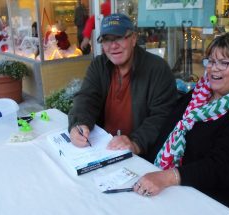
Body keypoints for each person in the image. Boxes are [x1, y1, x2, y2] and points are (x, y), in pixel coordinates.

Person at [134, 32, 229, 212]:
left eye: (224, 63)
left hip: (215, 204)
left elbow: (223, 167)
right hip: (173, 191)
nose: (214, 69)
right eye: (211, 61)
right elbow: (166, 132)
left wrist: (168, 177)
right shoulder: (197, 95)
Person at [68, 13, 178, 157]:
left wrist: (135, 143)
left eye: (119, 37)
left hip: (143, 156)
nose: (113, 46)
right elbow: (86, 98)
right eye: (107, 40)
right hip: (102, 148)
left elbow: (163, 116)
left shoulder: (157, 69)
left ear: (133, 39)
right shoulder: (99, 65)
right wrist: (79, 123)